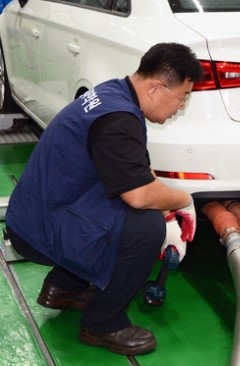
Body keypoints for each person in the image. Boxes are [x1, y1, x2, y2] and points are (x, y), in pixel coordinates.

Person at [5, 43, 203, 355]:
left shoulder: (114, 94)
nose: (180, 106)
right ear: (155, 87)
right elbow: (139, 195)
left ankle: (65, 286)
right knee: (147, 227)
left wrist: (165, 199)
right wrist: (184, 201)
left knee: (128, 209)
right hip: (39, 229)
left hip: (36, 214)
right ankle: (102, 323)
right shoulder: (119, 120)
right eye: (182, 97)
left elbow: (137, 170)